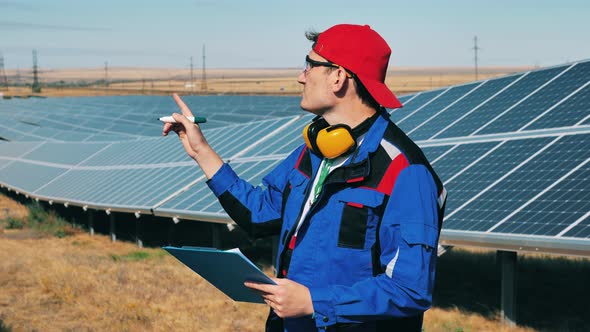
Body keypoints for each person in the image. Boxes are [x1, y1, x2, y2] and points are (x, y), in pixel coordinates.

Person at [163, 24, 446, 332]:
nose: (301, 76)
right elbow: (261, 213)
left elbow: (410, 290)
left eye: (310, 65)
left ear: (338, 76)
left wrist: (314, 303)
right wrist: (201, 151)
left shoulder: (405, 172)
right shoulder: (311, 153)